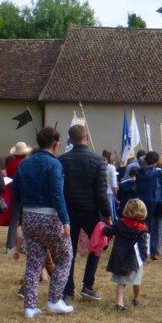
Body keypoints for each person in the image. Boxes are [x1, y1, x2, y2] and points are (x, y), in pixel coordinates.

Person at [14, 127, 74, 318]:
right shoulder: (54, 164)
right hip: (50, 216)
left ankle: (30, 307)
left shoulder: (25, 163)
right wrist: (65, 220)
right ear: (55, 144)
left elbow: (15, 190)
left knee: (34, 262)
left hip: (29, 215)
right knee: (65, 257)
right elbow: (57, 193)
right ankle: (54, 300)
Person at [59, 124, 112, 301]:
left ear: (70, 139)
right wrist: (107, 214)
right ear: (87, 137)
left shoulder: (62, 160)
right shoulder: (98, 161)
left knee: (69, 251)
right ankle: (88, 285)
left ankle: (67, 289)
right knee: (97, 247)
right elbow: (101, 191)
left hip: (68, 211)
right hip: (90, 210)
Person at [104, 198, 149, 311]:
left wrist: (103, 227)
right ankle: (136, 298)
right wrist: (143, 258)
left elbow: (108, 231)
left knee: (121, 282)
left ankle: (119, 303)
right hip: (135, 259)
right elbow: (144, 246)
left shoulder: (120, 223)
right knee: (136, 281)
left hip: (120, 257)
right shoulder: (142, 229)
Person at [134, 150, 162, 260]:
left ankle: (143, 250)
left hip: (142, 202)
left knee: (143, 227)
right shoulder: (158, 172)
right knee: (157, 227)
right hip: (156, 201)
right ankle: (155, 251)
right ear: (156, 161)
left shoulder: (138, 173)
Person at [1, 142, 32, 255]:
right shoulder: (27, 163)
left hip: (14, 194)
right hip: (25, 195)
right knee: (26, 222)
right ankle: (24, 246)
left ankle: (9, 247)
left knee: (14, 221)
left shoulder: (10, 164)